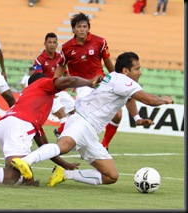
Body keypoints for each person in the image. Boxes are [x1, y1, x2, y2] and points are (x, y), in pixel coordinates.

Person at [10, 51, 174, 187]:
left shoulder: (119, 80)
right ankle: (25, 161)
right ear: (125, 71)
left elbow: (130, 99)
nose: (140, 72)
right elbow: (149, 100)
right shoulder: (123, 80)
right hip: (83, 119)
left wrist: (137, 118)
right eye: (137, 69)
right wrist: (164, 100)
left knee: (111, 176)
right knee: (65, 146)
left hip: (91, 131)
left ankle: (65, 174)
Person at [0, 72, 103, 186]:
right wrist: (90, 82)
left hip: (5, 124)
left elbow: (43, 146)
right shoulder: (42, 84)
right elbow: (69, 81)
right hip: (17, 126)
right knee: (13, 176)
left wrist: (64, 164)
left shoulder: (31, 97)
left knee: (23, 178)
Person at [53, 12, 131, 150]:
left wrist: (117, 79)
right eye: (79, 27)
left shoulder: (99, 42)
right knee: (86, 115)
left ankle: (105, 144)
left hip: (101, 83)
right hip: (82, 85)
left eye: (85, 26)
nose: (82, 29)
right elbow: (61, 65)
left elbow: (107, 62)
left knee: (118, 115)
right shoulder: (66, 48)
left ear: (88, 28)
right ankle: (71, 136)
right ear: (73, 29)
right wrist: (53, 83)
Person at [32, 32, 76, 138]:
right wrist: (49, 90)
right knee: (61, 112)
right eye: (49, 42)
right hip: (47, 93)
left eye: (54, 42)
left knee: (74, 111)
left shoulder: (60, 57)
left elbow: (65, 71)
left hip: (59, 91)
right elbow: (38, 77)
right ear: (45, 44)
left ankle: (60, 131)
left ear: (57, 44)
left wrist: (73, 83)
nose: (52, 44)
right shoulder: (39, 60)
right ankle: (65, 137)